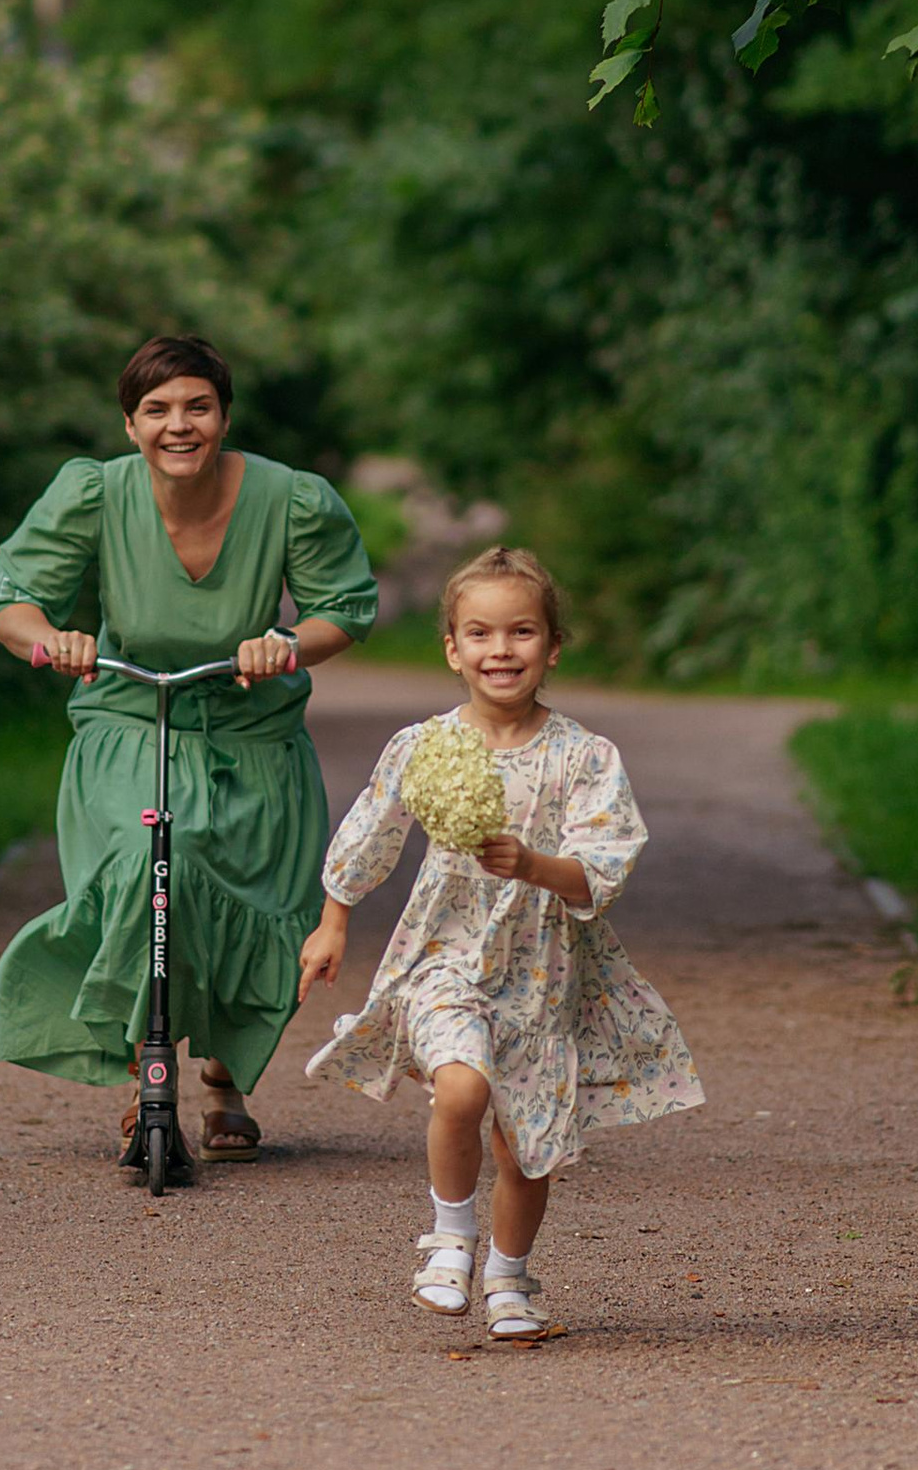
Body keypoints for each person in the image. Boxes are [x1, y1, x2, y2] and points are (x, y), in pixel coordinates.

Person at [0, 333, 377, 1157]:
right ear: (130, 425)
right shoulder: (93, 493)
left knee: (247, 893)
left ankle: (226, 1075)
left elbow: (344, 604)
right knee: (149, 861)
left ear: (224, 415)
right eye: (157, 410)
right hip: (130, 717)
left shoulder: (292, 498)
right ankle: (145, 1070)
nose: (179, 425)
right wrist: (53, 641)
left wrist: (289, 645)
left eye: (197, 406)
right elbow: (13, 600)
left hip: (250, 729)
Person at [296, 543, 701, 1339]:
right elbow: (372, 830)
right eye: (479, 634)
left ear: (552, 647)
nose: (500, 650)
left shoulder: (586, 757)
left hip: (542, 974)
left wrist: (536, 864)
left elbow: (604, 867)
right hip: (444, 958)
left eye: (520, 633)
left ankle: (510, 1281)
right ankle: (449, 1237)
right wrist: (333, 919)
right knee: (462, 1087)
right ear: (452, 649)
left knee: (525, 1146)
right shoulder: (426, 746)